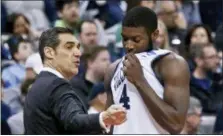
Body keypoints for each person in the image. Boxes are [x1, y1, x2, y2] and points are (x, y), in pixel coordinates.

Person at [24, 27, 126, 134]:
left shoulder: (39, 85)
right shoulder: (56, 84)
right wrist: (102, 117)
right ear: (49, 53)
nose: (78, 53)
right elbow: (73, 119)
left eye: (77, 47)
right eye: (69, 47)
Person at [104, 6, 190, 134]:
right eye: (125, 38)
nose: (129, 45)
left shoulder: (171, 63)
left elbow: (176, 124)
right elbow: (108, 126)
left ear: (154, 35)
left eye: (136, 39)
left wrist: (140, 81)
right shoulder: (113, 69)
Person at [190, 44, 222, 114]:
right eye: (211, 57)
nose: (217, 61)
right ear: (199, 60)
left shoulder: (218, 84)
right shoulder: (188, 86)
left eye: (217, 57)